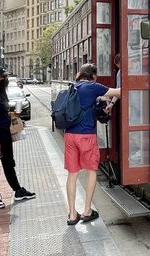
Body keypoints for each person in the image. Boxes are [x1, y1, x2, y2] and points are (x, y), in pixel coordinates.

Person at [65, 63, 120, 225]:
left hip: (70, 136)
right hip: (86, 136)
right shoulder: (92, 86)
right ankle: (87, 210)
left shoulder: (73, 86)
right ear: (93, 75)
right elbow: (120, 92)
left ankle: (72, 214)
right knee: (91, 172)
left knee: (72, 175)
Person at [0, 67, 36, 209]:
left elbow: (0, 114)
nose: (4, 79)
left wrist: (13, 115)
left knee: (8, 163)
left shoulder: (0, 93)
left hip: (4, 135)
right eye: (2, 77)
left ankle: (18, 190)